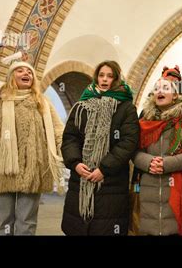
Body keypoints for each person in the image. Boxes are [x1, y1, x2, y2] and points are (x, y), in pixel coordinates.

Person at [0, 61, 64, 235]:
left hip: (33, 172)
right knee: (1, 224)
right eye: (20, 70)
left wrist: (70, 153)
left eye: (29, 72)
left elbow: (58, 133)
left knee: (27, 224)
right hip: (2, 172)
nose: (26, 74)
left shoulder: (43, 104)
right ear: (10, 77)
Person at [61, 60, 139, 235]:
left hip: (111, 183)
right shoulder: (81, 106)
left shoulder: (126, 108)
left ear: (117, 79)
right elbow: (70, 138)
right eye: (101, 75)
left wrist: (104, 168)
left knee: (105, 229)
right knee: (78, 228)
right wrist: (75, 163)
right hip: (81, 178)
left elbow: (128, 142)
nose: (104, 79)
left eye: (110, 76)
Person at [133, 66, 182, 235]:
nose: (160, 91)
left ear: (176, 94)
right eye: (156, 88)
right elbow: (134, 152)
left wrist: (166, 164)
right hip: (150, 184)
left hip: (178, 185)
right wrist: (149, 162)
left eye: (166, 88)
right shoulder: (145, 120)